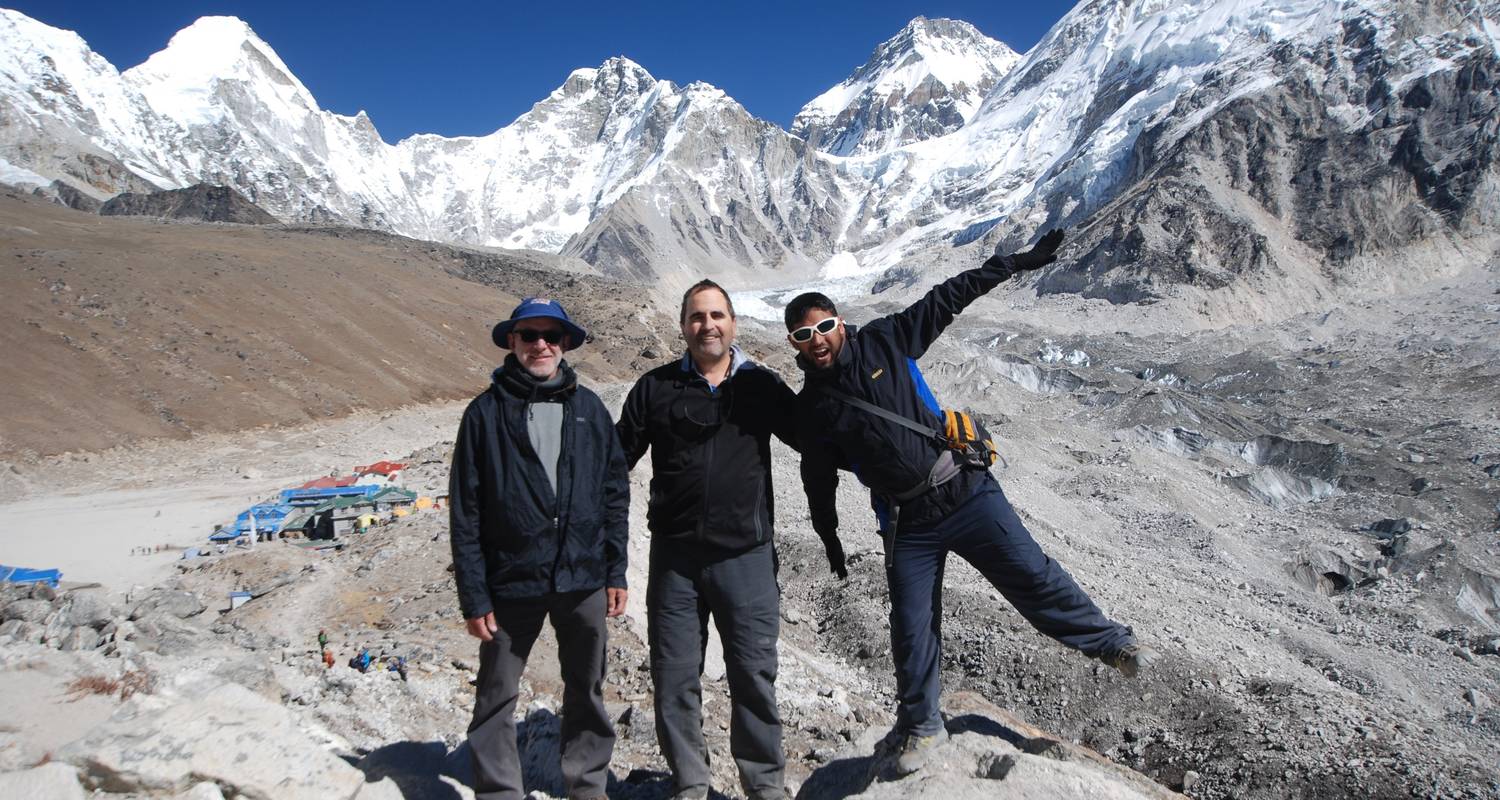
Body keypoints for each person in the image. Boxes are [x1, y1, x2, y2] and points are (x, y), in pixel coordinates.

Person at [784, 230, 1157, 775]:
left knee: (1031, 574)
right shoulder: (813, 411)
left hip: (965, 490)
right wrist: (830, 539)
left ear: (840, 323)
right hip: (908, 520)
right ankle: (923, 726)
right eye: (803, 333)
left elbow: (948, 296)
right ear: (794, 343)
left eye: (823, 326)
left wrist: (1012, 263)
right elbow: (817, 478)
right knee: (911, 625)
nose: (816, 339)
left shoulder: (888, 339)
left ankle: (1112, 644)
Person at [616, 280, 797, 800]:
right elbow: (614, 459)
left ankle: (764, 786)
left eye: (717, 315)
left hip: (746, 557)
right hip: (675, 561)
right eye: (697, 317)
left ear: (733, 323)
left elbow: (814, 436)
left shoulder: (760, 386)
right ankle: (691, 784)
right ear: (684, 326)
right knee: (675, 678)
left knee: (753, 676)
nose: (708, 325)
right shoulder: (655, 389)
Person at [449, 297, 630, 800]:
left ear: (566, 343)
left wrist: (616, 571)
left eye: (552, 336)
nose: (541, 345)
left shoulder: (589, 408)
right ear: (512, 341)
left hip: (584, 576)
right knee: (496, 695)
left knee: (587, 689)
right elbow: (465, 510)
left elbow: (614, 492)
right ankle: (499, 792)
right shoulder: (483, 414)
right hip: (511, 580)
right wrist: (474, 594)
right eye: (530, 335)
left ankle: (587, 787)